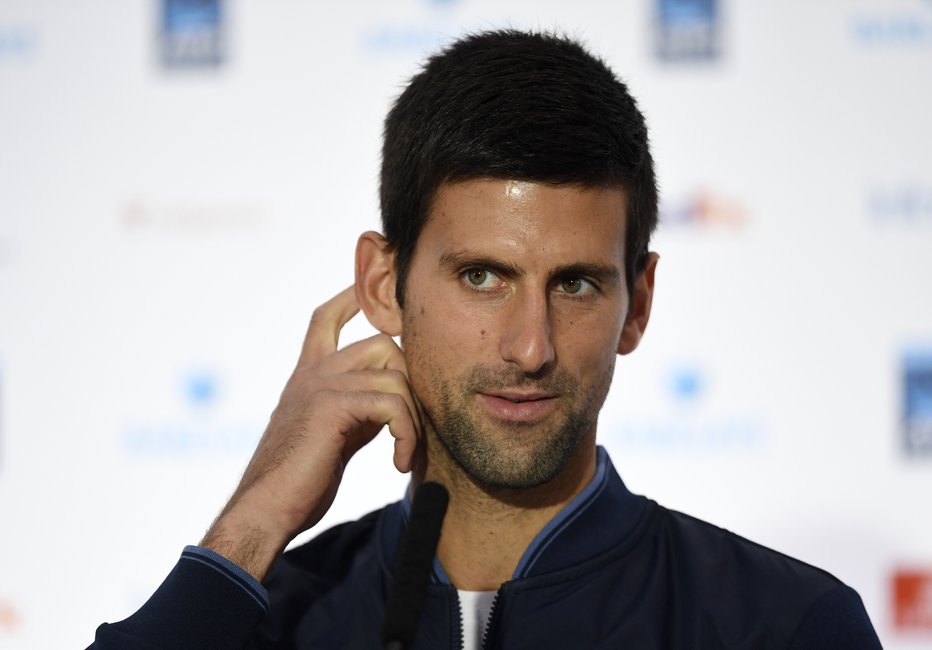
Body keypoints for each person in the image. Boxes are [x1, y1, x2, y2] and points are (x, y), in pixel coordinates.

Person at [89, 30, 882, 649]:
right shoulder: (264, 620)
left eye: (575, 284)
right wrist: (253, 521)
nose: (530, 348)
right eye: (481, 277)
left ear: (637, 304)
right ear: (381, 286)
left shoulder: (782, 627)